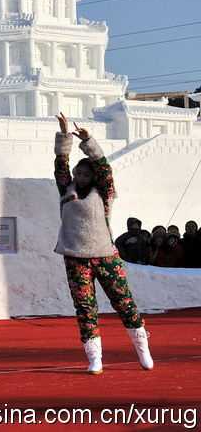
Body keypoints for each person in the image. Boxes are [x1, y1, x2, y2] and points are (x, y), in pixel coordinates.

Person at [53, 113, 153, 375]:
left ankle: (142, 346)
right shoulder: (66, 190)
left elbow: (105, 168)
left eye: (86, 173)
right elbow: (60, 165)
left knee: (123, 301)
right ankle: (94, 357)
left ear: (93, 176)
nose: (81, 175)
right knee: (85, 308)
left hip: (105, 255)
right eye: (78, 172)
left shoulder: (104, 193)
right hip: (75, 257)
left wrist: (88, 141)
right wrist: (64, 135)